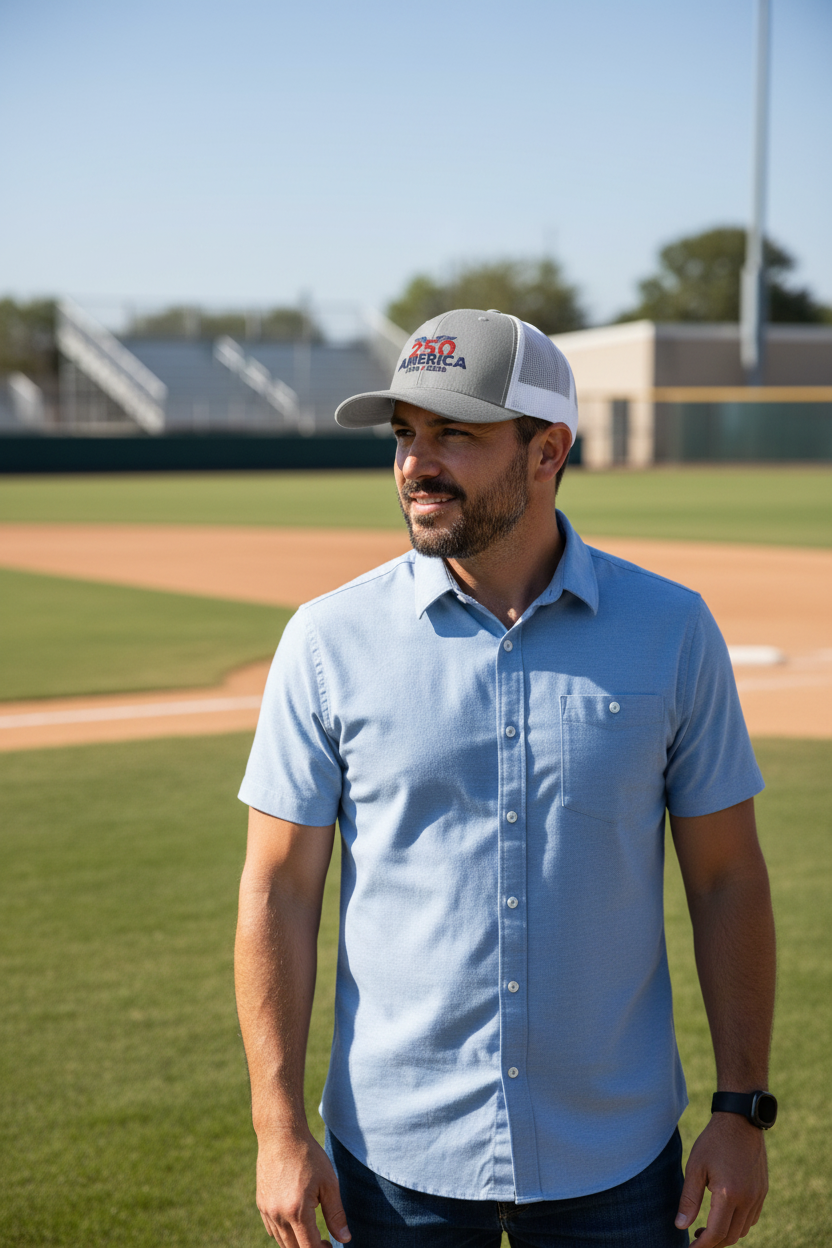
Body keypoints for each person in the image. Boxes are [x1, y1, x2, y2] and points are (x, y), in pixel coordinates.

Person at [235, 309, 776, 1248]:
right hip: (393, 1168)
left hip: (617, 1160)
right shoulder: (327, 641)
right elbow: (277, 887)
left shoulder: (673, 631)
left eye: (454, 433)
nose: (415, 462)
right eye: (404, 433)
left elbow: (728, 878)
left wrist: (741, 1108)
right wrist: (276, 1128)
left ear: (547, 451)